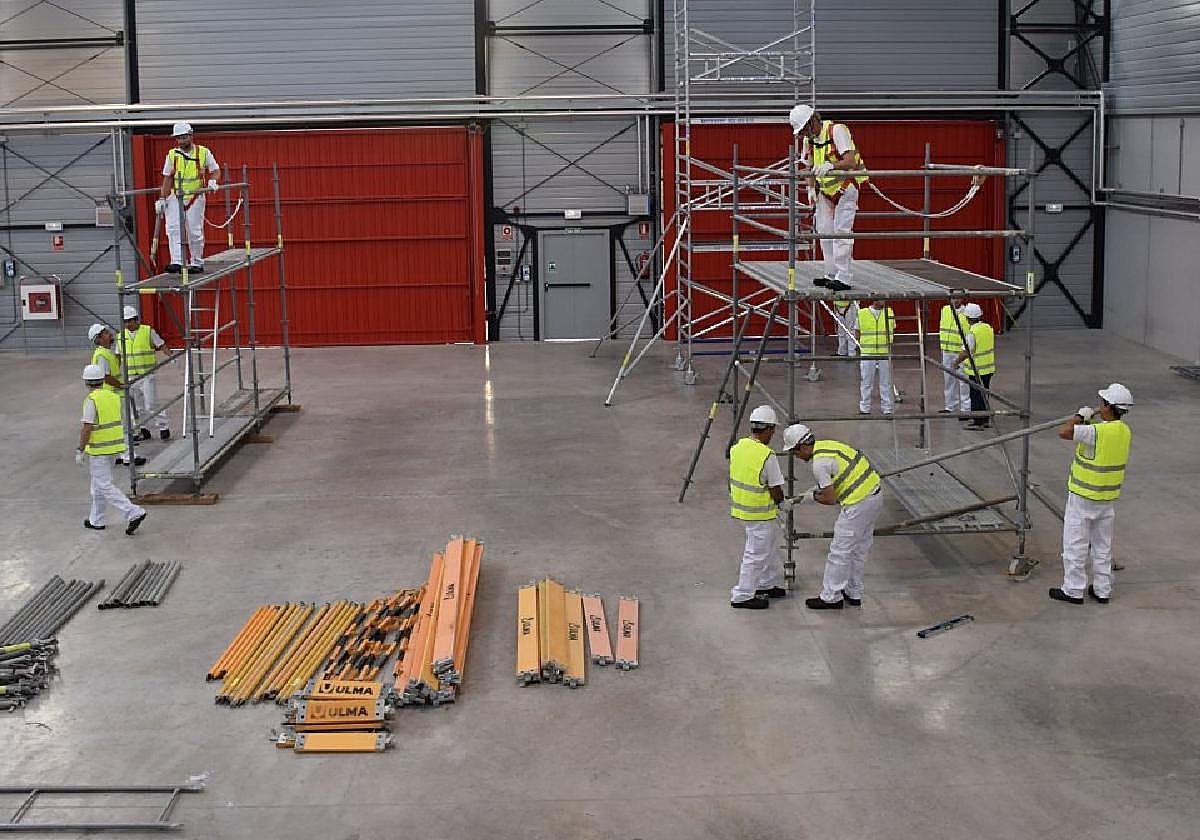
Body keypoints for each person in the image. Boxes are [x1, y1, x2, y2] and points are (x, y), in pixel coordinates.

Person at [782, 423, 884, 610]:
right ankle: (853, 592)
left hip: (857, 504)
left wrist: (811, 497)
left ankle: (831, 597)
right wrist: (799, 499)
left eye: (794, 452)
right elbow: (828, 485)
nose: (795, 456)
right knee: (859, 549)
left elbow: (829, 498)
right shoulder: (829, 446)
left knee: (839, 551)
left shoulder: (819, 464)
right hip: (874, 495)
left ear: (803, 447)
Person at [1050, 384, 1133, 605]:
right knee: (1102, 547)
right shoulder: (1123, 431)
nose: (1099, 405)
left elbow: (1064, 432)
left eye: (1102, 402)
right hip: (1106, 498)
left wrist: (1078, 417)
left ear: (1108, 407)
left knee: (1075, 545)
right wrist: (1087, 422)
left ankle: (1073, 590)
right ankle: (1102, 590)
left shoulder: (1096, 431)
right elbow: (1095, 447)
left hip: (1083, 496)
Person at [789, 103, 869, 292]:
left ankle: (844, 277)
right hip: (824, 191)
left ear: (814, 121)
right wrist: (810, 189)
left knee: (841, 232)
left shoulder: (837, 131)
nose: (805, 135)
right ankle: (830, 273)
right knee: (824, 231)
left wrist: (831, 166)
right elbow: (809, 167)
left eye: (806, 130)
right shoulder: (809, 140)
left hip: (846, 187)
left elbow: (850, 161)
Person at [728, 405, 789, 610]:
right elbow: (775, 487)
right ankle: (742, 595)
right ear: (770, 429)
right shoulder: (766, 455)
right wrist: (783, 503)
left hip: (744, 507)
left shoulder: (738, 447)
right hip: (759, 511)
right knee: (755, 553)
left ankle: (765, 584)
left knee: (768, 549)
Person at [76, 364, 147, 535]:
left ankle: (133, 512)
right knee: (97, 486)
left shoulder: (91, 400)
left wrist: (80, 449)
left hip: (99, 450)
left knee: (103, 485)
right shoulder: (113, 396)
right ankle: (96, 520)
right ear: (102, 380)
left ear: (86, 382)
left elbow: (87, 427)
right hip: (114, 446)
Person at [156, 121, 220, 274]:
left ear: (191, 136)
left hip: (195, 196)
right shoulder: (172, 155)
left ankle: (196, 262)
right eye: (179, 138)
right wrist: (162, 199)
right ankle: (177, 261)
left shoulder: (203, 152)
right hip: (176, 196)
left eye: (184, 137)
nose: (182, 141)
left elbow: (215, 170)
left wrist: (213, 181)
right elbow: (167, 178)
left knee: (194, 231)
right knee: (173, 229)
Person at [87, 323, 145, 467]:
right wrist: (121, 385)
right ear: (99, 339)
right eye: (106, 333)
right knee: (124, 425)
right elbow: (105, 376)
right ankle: (128, 456)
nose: (110, 334)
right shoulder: (101, 355)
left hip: (113, 394)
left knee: (120, 425)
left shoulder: (107, 353)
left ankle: (121, 454)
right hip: (113, 394)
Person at [119, 305, 170, 441]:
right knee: (136, 407)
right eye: (125, 321)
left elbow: (161, 344)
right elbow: (118, 356)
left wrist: (172, 357)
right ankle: (142, 429)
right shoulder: (121, 336)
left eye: (130, 321)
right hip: (131, 377)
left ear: (136, 320)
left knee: (151, 403)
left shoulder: (147, 331)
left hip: (147, 374)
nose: (128, 324)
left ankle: (163, 426)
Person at [953, 303, 995, 429]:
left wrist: (956, 362)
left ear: (968, 318)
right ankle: (985, 419)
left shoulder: (972, 332)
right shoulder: (987, 328)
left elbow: (967, 351)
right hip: (988, 369)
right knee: (984, 395)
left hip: (977, 370)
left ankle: (978, 422)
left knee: (976, 396)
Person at [857, 299, 895, 415]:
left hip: (884, 351)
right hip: (868, 352)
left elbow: (892, 329)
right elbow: (857, 331)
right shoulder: (862, 313)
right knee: (866, 381)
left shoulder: (889, 312)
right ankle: (864, 408)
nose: (883, 301)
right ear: (874, 300)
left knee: (886, 382)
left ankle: (887, 408)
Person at [937, 297, 970, 413]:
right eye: (952, 298)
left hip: (960, 352)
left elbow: (968, 334)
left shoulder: (966, 313)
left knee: (964, 381)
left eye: (957, 298)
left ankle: (965, 408)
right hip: (946, 350)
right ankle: (950, 406)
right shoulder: (945, 310)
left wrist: (964, 351)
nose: (954, 301)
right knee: (948, 380)